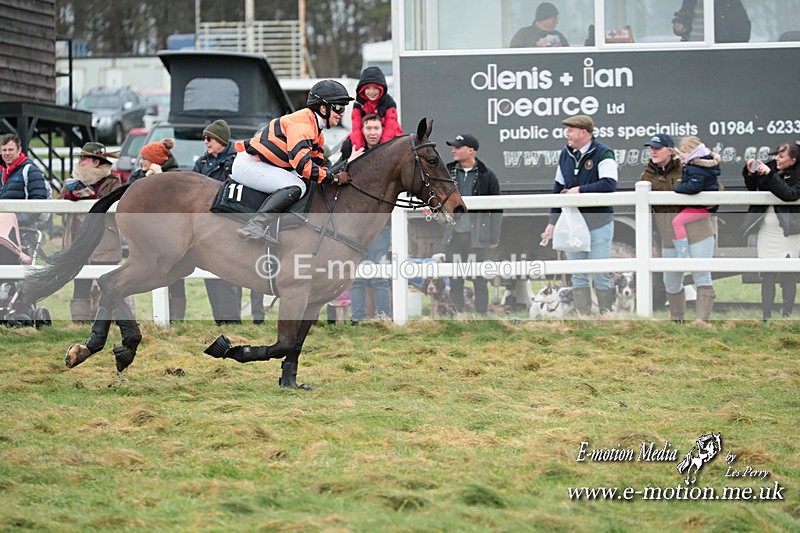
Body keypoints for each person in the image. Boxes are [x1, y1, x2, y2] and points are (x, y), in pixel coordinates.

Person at [232, 79, 354, 243]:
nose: (341, 113)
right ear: (323, 108)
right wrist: (335, 178)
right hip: (250, 164)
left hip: (265, 163)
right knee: (297, 186)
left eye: (343, 108)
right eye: (338, 108)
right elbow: (303, 167)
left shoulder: (316, 129)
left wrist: (342, 168)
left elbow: (319, 163)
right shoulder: (303, 125)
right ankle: (255, 225)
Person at [540, 115, 617, 315]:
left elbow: (609, 184)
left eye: (571, 130)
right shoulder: (565, 154)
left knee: (600, 273)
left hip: (598, 222)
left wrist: (580, 190)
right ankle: (584, 316)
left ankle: (606, 315)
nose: (567, 134)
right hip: (572, 224)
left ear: (584, 133)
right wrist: (552, 222)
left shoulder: (604, 153)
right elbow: (558, 188)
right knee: (578, 275)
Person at [639, 133, 717, 322]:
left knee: (702, 276)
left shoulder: (689, 164)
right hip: (668, 235)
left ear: (669, 150)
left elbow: (715, 187)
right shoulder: (646, 175)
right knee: (671, 282)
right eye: (651, 148)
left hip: (698, 230)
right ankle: (677, 321)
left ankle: (701, 322)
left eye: (657, 148)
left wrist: (710, 206)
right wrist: (651, 240)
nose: (653, 152)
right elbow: (645, 211)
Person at [333, 114, 394, 323]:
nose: (373, 133)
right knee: (356, 275)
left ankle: (383, 318)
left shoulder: (390, 152)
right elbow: (334, 176)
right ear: (363, 129)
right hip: (354, 224)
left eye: (377, 128)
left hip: (380, 224)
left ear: (382, 129)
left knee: (379, 274)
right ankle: (356, 319)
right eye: (369, 128)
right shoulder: (351, 148)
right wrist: (348, 163)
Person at [192, 119, 253, 325]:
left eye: (209, 138)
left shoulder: (238, 160)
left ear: (220, 139)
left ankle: (232, 320)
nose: (206, 142)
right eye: (204, 139)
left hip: (229, 220)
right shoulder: (202, 163)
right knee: (211, 270)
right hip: (207, 223)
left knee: (229, 271)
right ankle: (219, 319)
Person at [61, 142, 123, 323]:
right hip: (77, 239)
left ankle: (109, 320)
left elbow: (116, 204)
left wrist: (91, 198)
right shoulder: (72, 179)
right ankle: (79, 322)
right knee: (80, 282)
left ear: (96, 162)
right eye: (80, 158)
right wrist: (71, 197)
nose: (81, 162)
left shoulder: (112, 181)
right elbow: (57, 205)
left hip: (103, 239)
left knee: (108, 282)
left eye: (85, 158)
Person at [443, 133, 502, 315]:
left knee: (480, 279)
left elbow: (497, 209)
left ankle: (481, 317)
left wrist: (493, 237)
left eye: (458, 147)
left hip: (478, 237)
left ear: (471, 151)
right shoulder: (446, 172)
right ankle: (457, 316)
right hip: (453, 235)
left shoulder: (487, 176)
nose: (453, 150)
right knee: (455, 279)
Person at [128, 139, 187, 320]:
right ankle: (161, 316)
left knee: (177, 276)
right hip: (151, 235)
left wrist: (160, 179)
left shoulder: (176, 175)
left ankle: (177, 318)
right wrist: (145, 181)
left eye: (145, 158)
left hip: (173, 234)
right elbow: (128, 193)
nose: (141, 162)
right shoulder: (139, 175)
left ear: (155, 160)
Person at [742, 141, 800, 320]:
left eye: (782, 156)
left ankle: (786, 315)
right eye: (776, 155)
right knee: (767, 274)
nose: (777, 159)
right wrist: (749, 173)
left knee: (788, 275)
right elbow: (753, 188)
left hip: (790, 232)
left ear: (793, 160)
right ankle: (766, 316)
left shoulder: (797, 174)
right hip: (767, 230)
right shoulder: (770, 167)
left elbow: (790, 194)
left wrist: (770, 175)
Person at [671, 136, 721, 258]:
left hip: (702, 206)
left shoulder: (695, 167)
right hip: (704, 206)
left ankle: (683, 253)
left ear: (693, 151)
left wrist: (677, 189)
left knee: (677, 222)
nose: (682, 155)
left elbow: (694, 187)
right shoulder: (703, 164)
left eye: (685, 152)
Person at [349, 66, 403, 152]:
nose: (371, 92)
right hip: (367, 139)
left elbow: (390, 128)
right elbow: (356, 127)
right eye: (368, 88)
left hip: (389, 139)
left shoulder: (389, 103)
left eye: (375, 88)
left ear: (381, 88)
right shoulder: (358, 103)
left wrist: (381, 151)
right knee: (347, 145)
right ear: (363, 89)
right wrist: (360, 150)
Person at [0, 133, 49, 227]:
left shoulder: (31, 171)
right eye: (4, 150)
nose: (7, 153)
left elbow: (39, 204)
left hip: (24, 231)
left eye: (10, 150)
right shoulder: (2, 172)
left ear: (19, 150)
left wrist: (14, 222)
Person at [672, 0, 750, 43]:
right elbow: (682, 20)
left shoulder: (730, 3)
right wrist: (680, 27)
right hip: (692, 49)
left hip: (718, 54)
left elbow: (743, 29)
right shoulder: (690, 2)